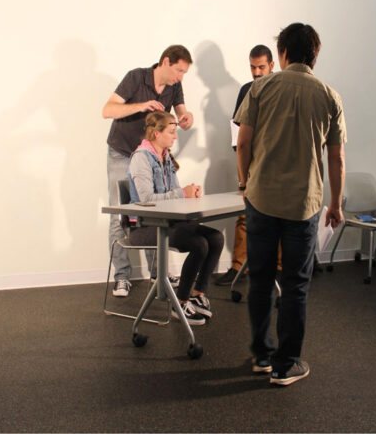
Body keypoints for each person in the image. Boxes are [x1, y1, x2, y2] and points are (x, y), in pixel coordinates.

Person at [235, 23, 346, 386]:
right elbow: (337, 158)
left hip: (261, 198)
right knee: (296, 285)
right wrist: (336, 203)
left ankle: (261, 357)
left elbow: (244, 142)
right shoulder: (329, 95)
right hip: (304, 204)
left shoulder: (261, 87)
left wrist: (244, 181)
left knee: (261, 280)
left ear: (281, 53)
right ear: (315, 54)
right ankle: (286, 365)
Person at [102, 45, 195, 297]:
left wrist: (187, 118)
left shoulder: (175, 86)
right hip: (122, 153)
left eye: (184, 73)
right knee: (120, 215)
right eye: (178, 71)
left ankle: (158, 273)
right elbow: (107, 110)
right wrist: (140, 106)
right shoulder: (136, 77)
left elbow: (182, 112)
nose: (180, 77)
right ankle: (122, 277)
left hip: (150, 156)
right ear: (165, 62)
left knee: (155, 212)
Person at [126, 111, 223, 325]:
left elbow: (176, 193)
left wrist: (190, 194)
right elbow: (147, 199)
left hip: (168, 223)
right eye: (171, 132)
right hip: (145, 227)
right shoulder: (141, 158)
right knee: (199, 244)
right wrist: (183, 193)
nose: (175, 136)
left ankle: (197, 295)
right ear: (156, 133)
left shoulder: (166, 157)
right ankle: (180, 303)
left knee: (215, 238)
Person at [216, 44, 277, 286]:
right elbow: (237, 128)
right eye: (252, 67)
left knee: (279, 216)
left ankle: (279, 269)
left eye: (261, 66)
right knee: (245, 214)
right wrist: (241, 162)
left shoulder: (281, 88)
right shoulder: (246, 89)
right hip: (251, 161)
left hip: (275, 162)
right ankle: (239, 266)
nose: (256, 72)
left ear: (272, 65)